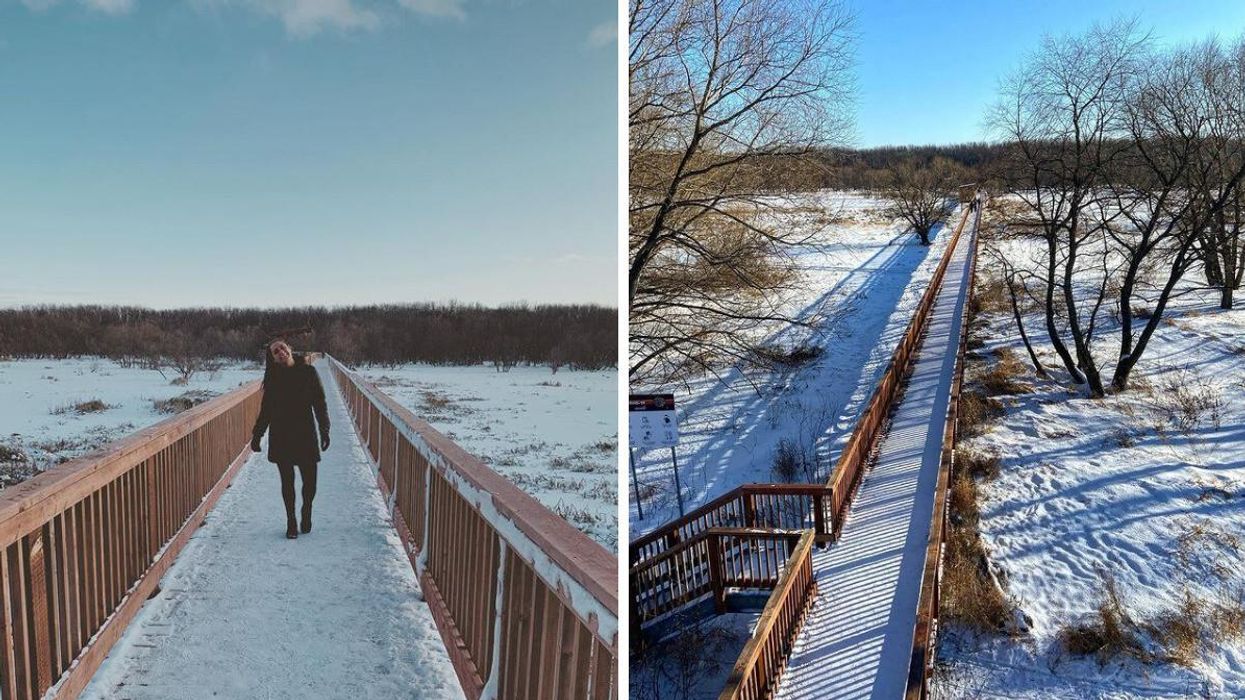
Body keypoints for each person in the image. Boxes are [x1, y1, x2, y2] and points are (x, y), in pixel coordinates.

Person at [250, 339, 330, 539]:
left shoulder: (308, 372)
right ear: (273, 357)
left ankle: (306, 509)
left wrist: (324, 430)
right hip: (281, 435)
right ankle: (291, 521)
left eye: (282, 348)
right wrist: (257, 435)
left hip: (305, 434)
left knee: (310, 483)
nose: (280, 352)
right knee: (287, 482)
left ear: (290, 349)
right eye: (275, 351)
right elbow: (266, 411)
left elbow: (320, 403)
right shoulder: (273, 379)